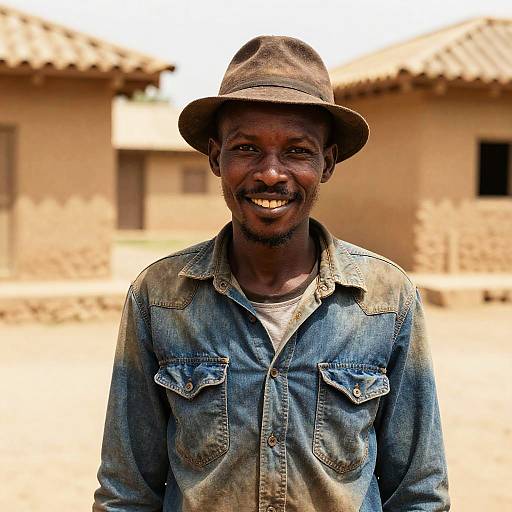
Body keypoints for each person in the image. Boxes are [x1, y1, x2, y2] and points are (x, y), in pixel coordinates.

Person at [93, 36, 450, 512]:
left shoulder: (385, 299)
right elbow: (127, 492)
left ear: (328, 163)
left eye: (297, 151)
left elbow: (420, 492)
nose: (270, 173)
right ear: (216, 158)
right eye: (246, 148)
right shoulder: (160, 298)